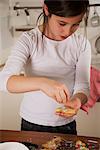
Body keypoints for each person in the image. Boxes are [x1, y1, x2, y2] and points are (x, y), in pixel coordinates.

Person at [0, 0, 91, 135]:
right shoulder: (29, 40)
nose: (67, 31)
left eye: (76, 24)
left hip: (67, 125)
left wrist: (77, 100)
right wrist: (43, 83)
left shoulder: (81, 43)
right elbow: (4, 81)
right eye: (62, 23)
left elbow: (83, 87)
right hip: (31, 123)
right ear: (47, 10)